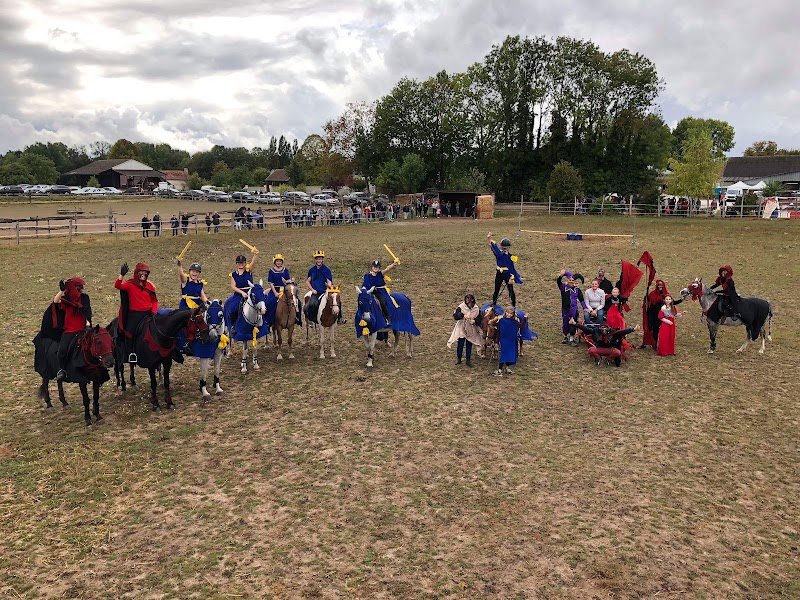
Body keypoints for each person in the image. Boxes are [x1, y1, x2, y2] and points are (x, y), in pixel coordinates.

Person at [114, 262, 158, 363]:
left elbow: (154, 301)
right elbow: (118, 285)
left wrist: (154, 312)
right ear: (137, 273)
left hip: (149, 313)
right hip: (135, 315)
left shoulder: (150, 286)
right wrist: (121, 275)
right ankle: (131, 353)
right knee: (130, 332)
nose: (143, 274)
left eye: (145, 272)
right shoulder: (130, 284)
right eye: (141, 272)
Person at [54, 277, 93, 381]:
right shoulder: (66, 299)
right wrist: (61, 291)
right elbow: (55, 301)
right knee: (62, 351)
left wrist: (88, 321)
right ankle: (62, 369)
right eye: (78, 287)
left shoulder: (84, 298)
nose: (81, 289)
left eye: (81, 287)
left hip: (82, 330)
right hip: (69, 330)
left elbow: (87, 310)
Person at [573, 319, 639, 366]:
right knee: (591, 350)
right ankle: (598, 358)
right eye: (602, 328)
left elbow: (622, 332)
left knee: (618, 353)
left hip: (610, 350)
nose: (604, 330)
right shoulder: (595, 331)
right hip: (599, 349)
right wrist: (575, 324)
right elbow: (585, 329)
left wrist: (633, 329)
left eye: (605, 328)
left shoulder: (613, 332)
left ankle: (608, 359)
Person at [487, 232, 523, 307]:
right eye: (503, 247)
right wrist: (489, 238)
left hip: (507, 274)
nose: (504, 248)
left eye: (506, 247)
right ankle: (494, 304)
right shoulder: (498, 254)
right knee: (496, 290)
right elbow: (493, 246)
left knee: (511, 291)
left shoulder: (511, 257)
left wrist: (512, 277)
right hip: (499, 274)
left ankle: (513, 306)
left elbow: (512, 268)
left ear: (508, 247)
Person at [447, 292, 482, 366]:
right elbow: (456, 316)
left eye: (469, 298)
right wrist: (462, 315)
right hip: (462, 328)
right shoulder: (461, 307)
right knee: (460, 344)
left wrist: (474, 321)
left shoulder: (476, 308)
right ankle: (459, 359)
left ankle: (468, 360)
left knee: (469, 344)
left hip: (471, 329)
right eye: (466, 298)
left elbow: (479, 319)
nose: (467, 300)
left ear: (472, 299)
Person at [361, 258, 399, 326]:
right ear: (372, 267)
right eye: (374, 267)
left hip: (380, 292)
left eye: (377, 267)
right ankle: (363, 317)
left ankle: (388, 318)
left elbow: (387, 269)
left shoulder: (380, 274)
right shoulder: (367, 276)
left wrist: (394, 264)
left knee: (382, 302)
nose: (375, 268)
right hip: (370, 292)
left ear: (379, 268)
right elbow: (364, 285)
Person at [266, 253, 299, 325]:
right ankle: (269, 321)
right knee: (270, 302)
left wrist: (290, 281)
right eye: (277, 261)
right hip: (275, 290)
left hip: (285, 290)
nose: (278, 262)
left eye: (280, 261)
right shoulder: (271, 271)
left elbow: (288, 281)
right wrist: (275, 293)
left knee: (296, 301)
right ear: (274, 262)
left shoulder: (285, 270)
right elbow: (271, 283)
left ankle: (297, 317)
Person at [489, 306, 522, 376]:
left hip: (512, 341)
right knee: (503, 355)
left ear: (513, 314)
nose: (509, 314)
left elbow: (521, 326)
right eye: (508, 313)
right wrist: (497, 342)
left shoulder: (515, 322)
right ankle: (500, 370)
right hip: (503, 340)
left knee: (510, 354)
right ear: (505, 312)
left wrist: (525, 318)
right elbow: (498, 331)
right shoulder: (501, 321)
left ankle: (507, 367)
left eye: (511, 313)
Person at [557, 270, 586, 345]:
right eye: (570, 280)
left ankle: (571, 339)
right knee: (565, 323)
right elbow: (558, 281)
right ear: (567, 280)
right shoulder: (563, 288)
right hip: (565, 309)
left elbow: (581, 299)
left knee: (573, 323)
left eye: (572, 280)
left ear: (574, 281)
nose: (571, 281)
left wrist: (585, 308)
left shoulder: (577, 290)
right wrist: (561, 275)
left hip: (574, 309)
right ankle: (565, 336)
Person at [304, 250, 335, 322]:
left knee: (336, 302)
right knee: (312, 304)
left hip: (325, 291)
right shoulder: (312, 270)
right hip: (316, 292)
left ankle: (339, 318)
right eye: (317, 259)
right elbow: (308, 281)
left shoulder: (326, 270)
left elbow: (329, 281)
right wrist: (312, 289)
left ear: (322, 259)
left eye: (320, 259)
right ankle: (311, 319)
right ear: (315, 259)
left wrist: (329, 287)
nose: (319, 260)